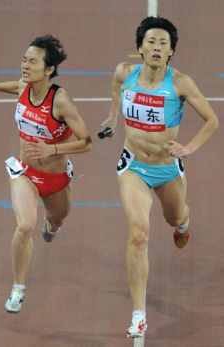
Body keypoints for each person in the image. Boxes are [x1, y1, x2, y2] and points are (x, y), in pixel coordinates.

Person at [100, 17, 219, 338]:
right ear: (140, 47)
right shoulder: (125, 73)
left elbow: (212, 120)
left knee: (175, 219)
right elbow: (115, 90)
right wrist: (113, 117)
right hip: (133, 167)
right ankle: (138, 314)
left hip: (167, 169)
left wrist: (189, 148)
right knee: (138, 234)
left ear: (171, 53)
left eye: (163, 44)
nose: (156, 47)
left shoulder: (180, 83)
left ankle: (183, 223)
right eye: (151, 42)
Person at [0, 35, 92, 313]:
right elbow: (16, 86)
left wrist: (53, 149)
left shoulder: (61, 101)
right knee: (24, 226)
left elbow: (87, 142)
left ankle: (53, 226)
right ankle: (18, 289)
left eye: (32, 61)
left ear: (48, 70)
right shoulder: (25, 85)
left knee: (57, 218)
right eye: (24, 59)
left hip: (56, 178)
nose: (25, 65)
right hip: (25, 173)